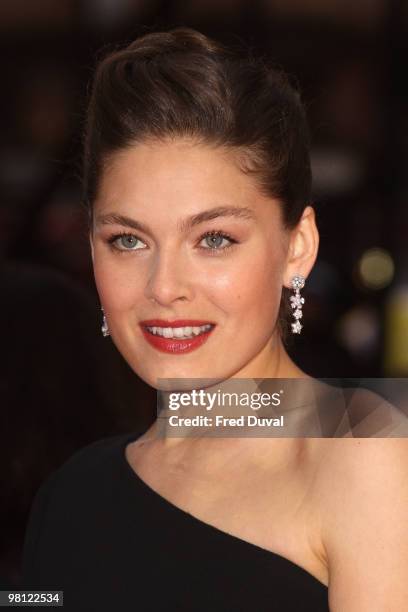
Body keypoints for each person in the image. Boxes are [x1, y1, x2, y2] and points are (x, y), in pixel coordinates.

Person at [21, 27, 408, 611]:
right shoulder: (70, 496)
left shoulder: (364, 456)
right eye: (128, 240)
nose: (164, 287)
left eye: (215, 239)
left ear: (297, 247)